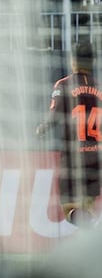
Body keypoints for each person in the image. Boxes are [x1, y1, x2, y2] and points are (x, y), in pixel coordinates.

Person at [36, 40, 102, 227]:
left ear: (72, 61)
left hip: (73, 157)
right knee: (87, 208)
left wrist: (42, 128)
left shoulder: (64, 85)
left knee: (69, 209)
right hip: (96, 156)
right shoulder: (100, 87)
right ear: (93, 61)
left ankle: (93, 232)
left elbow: (55, 115)